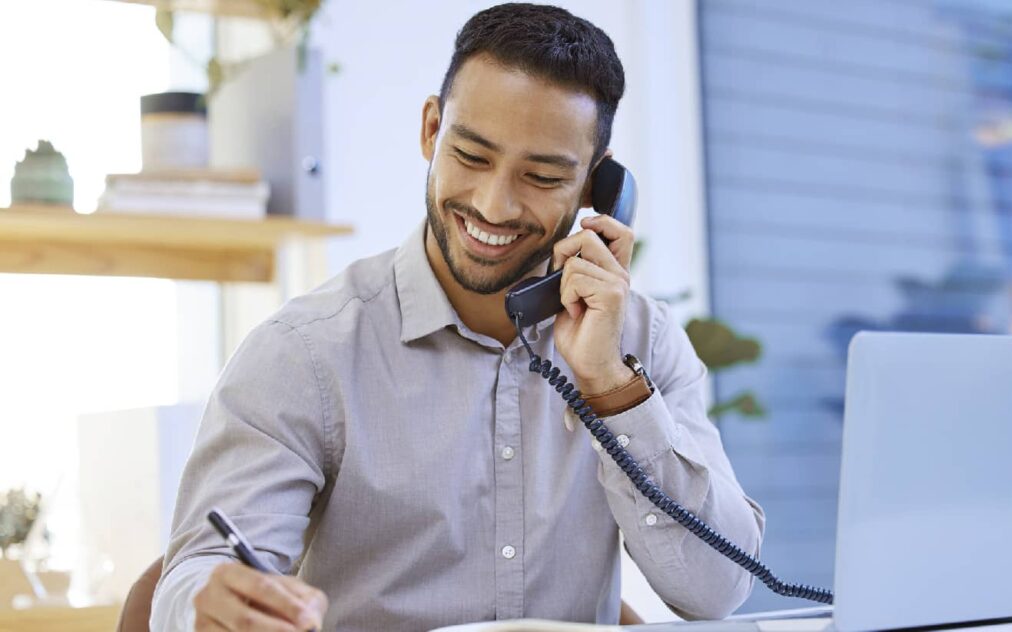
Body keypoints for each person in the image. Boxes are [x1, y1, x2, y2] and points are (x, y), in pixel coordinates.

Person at [150, 3, 764, 630]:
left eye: (543, 175)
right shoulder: (305, 352)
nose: (494, 205)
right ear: (430, 130)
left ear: (595, 188)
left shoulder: (644, 343)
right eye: (471, 156)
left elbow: (718, 592)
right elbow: (199, 572)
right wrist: (211, 603)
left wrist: (609, 385)